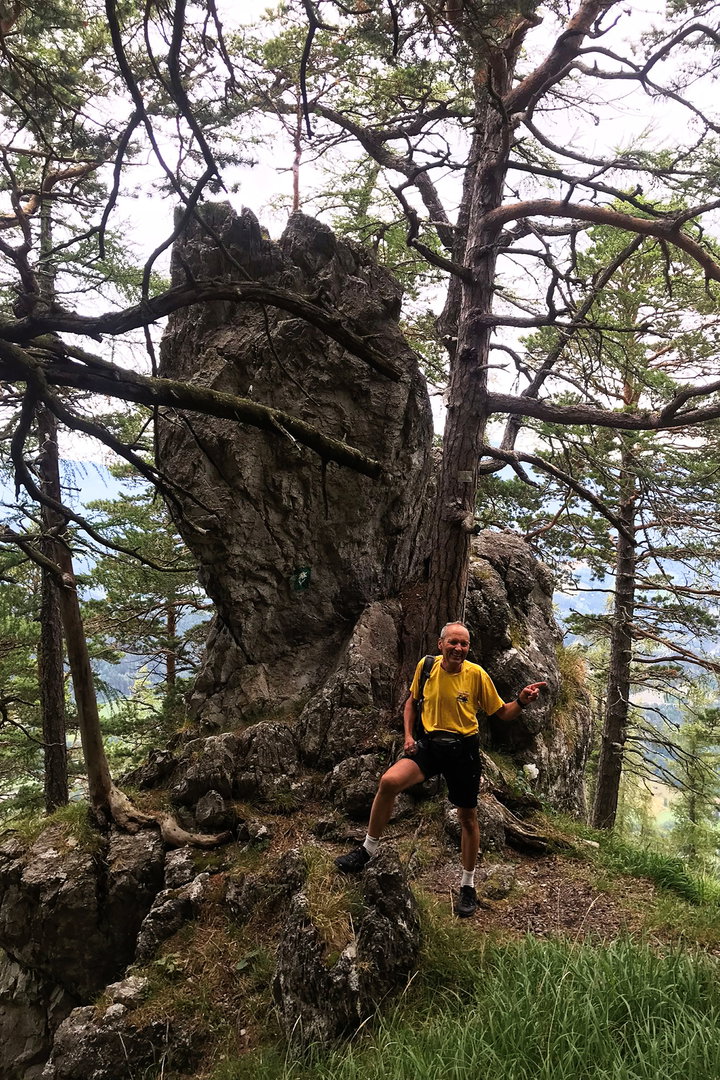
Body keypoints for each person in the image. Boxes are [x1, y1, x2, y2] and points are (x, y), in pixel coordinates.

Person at [334, 621, 547, 917]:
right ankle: (367, 850)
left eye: (464, 644)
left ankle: (468, 886)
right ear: (441, 644)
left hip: (464, 751)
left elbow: (503, 713)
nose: (459, 649)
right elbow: (412, 703)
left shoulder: (477, 676)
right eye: (454, 643)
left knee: (468, 818)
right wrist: (409, 737)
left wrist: (522, 701)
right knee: (388, 782)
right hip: (430, 745)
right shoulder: (427, 667)